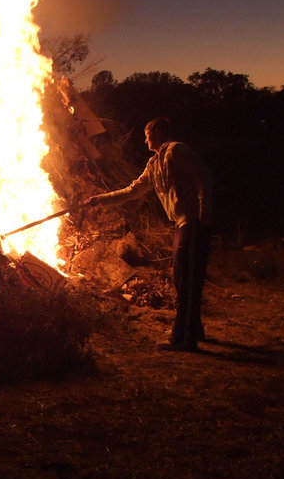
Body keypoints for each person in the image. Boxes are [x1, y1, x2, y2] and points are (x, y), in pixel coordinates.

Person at [88, 117, 213, 352]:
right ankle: (194, 329)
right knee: (185, 279)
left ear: (158, 133)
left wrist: (205, 209)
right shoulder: (154, 164)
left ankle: (183, 338)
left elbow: (203, 176)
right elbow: (133, 191)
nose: (145, 138)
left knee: (186, 279)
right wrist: (100, 201)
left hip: (194, 222)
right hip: (182, 223)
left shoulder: (176, 150)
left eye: (148, 133)